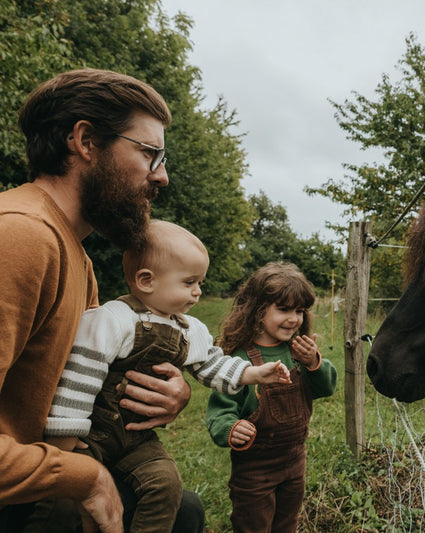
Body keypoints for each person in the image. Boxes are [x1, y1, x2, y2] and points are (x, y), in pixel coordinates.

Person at [0, 68, 197, 533]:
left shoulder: (75, 255)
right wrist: (85, 477)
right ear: (85, 141)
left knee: (183, 510)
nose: (162, 176)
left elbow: (82, 372)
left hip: (34, 481)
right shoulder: (20, 236)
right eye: (150, 154)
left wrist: (174, 390)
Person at [44, 220, 292, 533]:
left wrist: (254, 373)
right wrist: (64, 437)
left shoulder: (189, 329)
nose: (198, 291)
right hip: (90, 435)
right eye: (189, 282)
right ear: (146, 281)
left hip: (135, 438)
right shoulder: (112, 320)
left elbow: (210, 365)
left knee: (166, 482)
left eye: (200, 282)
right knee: (59, 502)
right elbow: (81, 375)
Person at [206, 262, 338, 533]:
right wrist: (230, 428)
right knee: (253, 526)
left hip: (294, 461)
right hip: (254, 470)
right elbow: (219, 411)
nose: (294, 319)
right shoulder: (240, 360)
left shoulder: (298, 352)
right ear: (257, 310)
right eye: (284, 309)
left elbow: (327, 387)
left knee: (287, 524)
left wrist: (313, 362)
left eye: (299, 311)